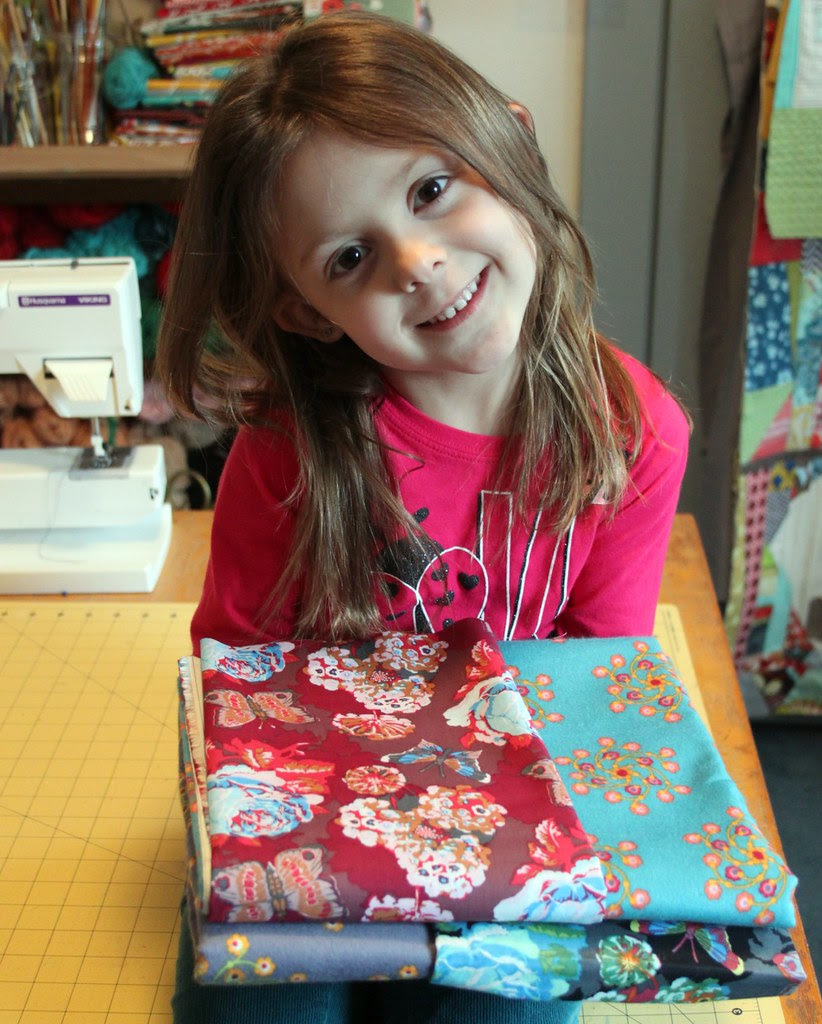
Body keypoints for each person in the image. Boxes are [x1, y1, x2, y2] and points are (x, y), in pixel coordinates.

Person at [157, 12, 690, 1024]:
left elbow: (594, 685)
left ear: (511, 143)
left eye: (433, 189)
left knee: (515, 1010)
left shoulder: (636, 434)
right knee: (261, 1009)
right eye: (350, 257)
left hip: (522, 814)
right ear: (307, 311)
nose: (417, 262)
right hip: (319, 811)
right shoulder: (290, 447)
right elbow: (239, 680)